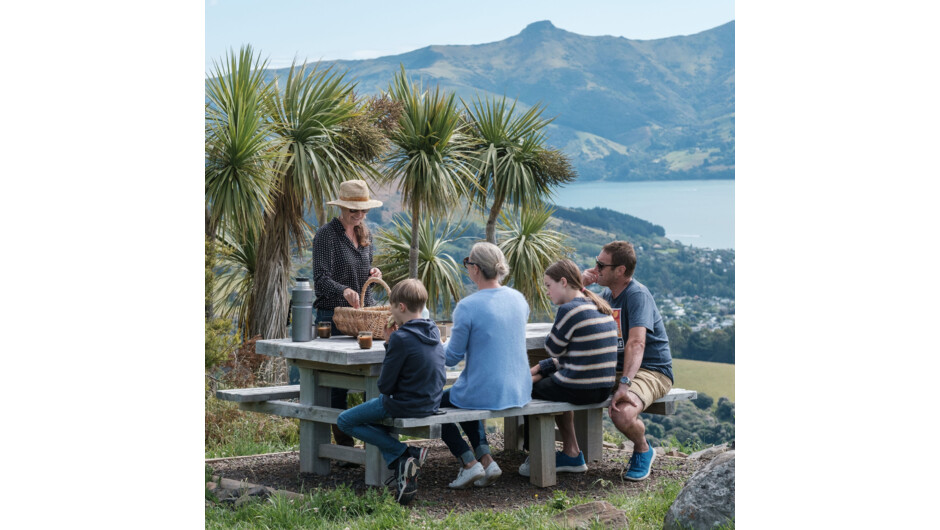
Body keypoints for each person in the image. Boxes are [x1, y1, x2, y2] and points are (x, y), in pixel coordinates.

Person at [336, 279, 445, 505]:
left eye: (392, 307)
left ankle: (405, 454)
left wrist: (389, 343)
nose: (390, 311)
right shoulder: (433, 330)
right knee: (373, 421)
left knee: (345, 420)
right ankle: (402, 468)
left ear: (401, 308)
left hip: (404, 404)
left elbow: (384, 386)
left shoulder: (400, 338)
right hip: (431, 403)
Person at [440, 242, 531, 489]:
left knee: (431, 404)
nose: (468, 268)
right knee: (463, 396)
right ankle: (487, 460)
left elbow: (450, 358)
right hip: (519, 390)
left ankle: (468, 462)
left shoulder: (468, 306)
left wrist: (434, 342)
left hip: (484, 391)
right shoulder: (519, 299)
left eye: (468, 263)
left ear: (476, 269)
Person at [518, 259, 619, 478]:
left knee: (526, 391)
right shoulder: (599, 305)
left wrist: (539, 370)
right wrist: (540, 368)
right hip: (602, 387)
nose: (547, 292)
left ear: (563, 282)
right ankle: (572, 453)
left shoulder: (569, 309)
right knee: (544, 380)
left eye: (548, 285)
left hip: (580, 387)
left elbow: (552, 348)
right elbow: (574, 357)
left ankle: (534, 455)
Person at [582, 241, 673, 481]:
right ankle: (571, 453)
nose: (596, 268)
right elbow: (576, 313)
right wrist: (580, 286)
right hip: (619, 368)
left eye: (601, 264)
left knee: (621, 414)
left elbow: (636, 343)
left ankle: (643, 448)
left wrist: (624, 383)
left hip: (651, 370)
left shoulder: (637, 295)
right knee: (566, 387)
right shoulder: (607, 295)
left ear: (620, 270)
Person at [309, 179, 384, 454]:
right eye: (354, 210)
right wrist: (345, 291)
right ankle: (343, 449)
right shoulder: (326, 235)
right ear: (342, 207)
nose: (359, 215)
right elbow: (320, 280)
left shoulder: (366, 234)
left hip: (365, 317)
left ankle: (372, 442)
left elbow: (363, 270)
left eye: (363, 210)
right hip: (334, 318)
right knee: (336, 385)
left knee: (372, 379)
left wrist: (373, 274)